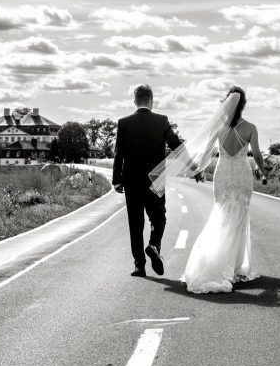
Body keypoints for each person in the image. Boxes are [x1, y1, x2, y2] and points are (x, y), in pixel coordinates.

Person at [181, 86, 269, 293]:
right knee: (238, 218)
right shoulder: (250, 128)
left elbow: (207, 153)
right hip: (241, 176)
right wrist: (264, 172)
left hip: (222, 175)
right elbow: (256, 155)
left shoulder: (218, 128)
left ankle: (220, 263)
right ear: (243, 105)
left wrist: (200, 171)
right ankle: (232, 266)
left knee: (221, 214)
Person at [113, 84, 183, 277]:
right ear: (152, 100)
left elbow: (119, 153)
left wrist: (116, 180)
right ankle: (153, 245)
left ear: (135, 101)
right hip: (156, 179)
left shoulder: (124, 122)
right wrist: (193, 166)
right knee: (158, 217)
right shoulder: (162, 121)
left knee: (135, 223)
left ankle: (139, 265)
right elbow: (176, 145)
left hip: (131, 180)